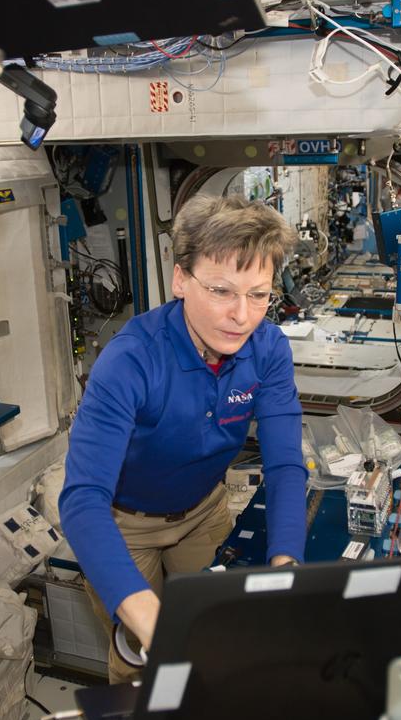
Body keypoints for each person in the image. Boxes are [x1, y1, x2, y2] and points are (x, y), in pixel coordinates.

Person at [59, 195, 307, 683]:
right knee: (143, 669)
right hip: (125, 525)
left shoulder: (269, 348)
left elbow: (284, 466)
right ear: (180, 280)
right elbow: (83, 500)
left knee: (222, 643)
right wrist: (150, 622)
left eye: (259, 295)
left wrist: (286, 567)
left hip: (203, 512)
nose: (242, 315)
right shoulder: (131, 361)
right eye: (221, 291)